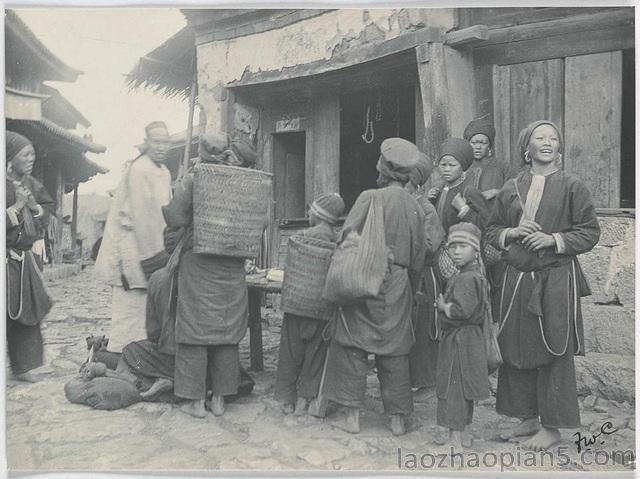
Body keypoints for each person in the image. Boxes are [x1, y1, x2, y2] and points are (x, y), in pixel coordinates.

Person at [485, 120, 600, 451]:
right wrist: (512, 233)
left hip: (555, 279)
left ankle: (552, 427)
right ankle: (527, 418)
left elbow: (590, 232)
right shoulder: (511, 187)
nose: (547, 142)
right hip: (516, 279)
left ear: (559, 147)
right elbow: (491, 231)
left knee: (552, 348)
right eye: (540, 137)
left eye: (553, 138)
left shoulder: (572, 186)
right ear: (527, 147)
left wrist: (553, 239)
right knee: (517, 346)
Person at [326, 137, 426, 436]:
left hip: (365, 276)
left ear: (383, 169)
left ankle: (352, 417)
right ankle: (397, 419)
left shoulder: (370, 197)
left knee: (353, 345)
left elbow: (347, 236)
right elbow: (420, 255)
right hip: (398, 282)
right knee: (394, 349)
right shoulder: (416, 207)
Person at [161, 131, 257, 418]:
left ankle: (194, 401)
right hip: (232, 264)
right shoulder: (250, 182)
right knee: (226, 330)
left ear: (202, 151)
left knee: (194, 329)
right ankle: (221, 399)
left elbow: (176, 217)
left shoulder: (194, 178)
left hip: (199, 263)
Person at [95, 121, 172, 352]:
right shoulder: (139, 169)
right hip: (134, 249)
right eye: (156, 141)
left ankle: (139, 361)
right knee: (130, 311)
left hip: (155, 245)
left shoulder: (164, 171)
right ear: (146, 143)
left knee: (146, 312)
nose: (161, 147)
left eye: (165, 142)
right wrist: (155, 259)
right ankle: (121, 361)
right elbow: (143, 216)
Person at [275, 193, 345, 416]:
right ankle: (306, 399)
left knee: (290, 353)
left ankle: (287, 400)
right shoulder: (337, 242)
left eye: (311, 212)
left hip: (296, 306)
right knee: (316, 355)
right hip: (323, 310)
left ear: (317, 215)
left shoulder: (301, 237)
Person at [434, 223, 490, 451]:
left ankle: (454, 441)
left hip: (459, 341)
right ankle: (462, 435)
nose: (456, 251)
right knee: (462, 388)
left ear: (475, 250)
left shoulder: (466, 278)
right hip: (469, 340)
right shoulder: (473, 274)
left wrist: (443, 306)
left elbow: (462, 311)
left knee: (453, 387)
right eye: (452, 247)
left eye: (462, 246)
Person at [5, 130, 55, 382]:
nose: (31, 158)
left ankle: (23, 367)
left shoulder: (32, 184)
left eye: (33, 154)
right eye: (25, 154)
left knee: (27, 311)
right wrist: (16, 207)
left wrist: (33, 206)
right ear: (10, 157)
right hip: (4, 258)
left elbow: (46, 209)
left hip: (24, 260)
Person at [406, 154, 446, 392]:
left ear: (417, 185)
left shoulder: (425, 207)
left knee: (423, 328)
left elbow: (431, 245)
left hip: (423, 277)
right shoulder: (395, 204)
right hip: (404, 277)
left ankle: (426, 383)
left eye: (407, 182)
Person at [428, 138, 489, 234]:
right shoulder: (439, 190)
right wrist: (430, 201)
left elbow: (487, 226)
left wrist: (464, 209)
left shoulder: (468, 191)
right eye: (443, 164)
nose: (447, 169)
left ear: (463, 167)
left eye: (452, 165)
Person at [463, 118, 515, 203]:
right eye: (474, 143)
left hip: (495, 214)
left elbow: (516, 191)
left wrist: (497, 192)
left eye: (483, 143)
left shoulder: (503, 167)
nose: (478, 147)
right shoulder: (462, 167)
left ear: (489, 146)